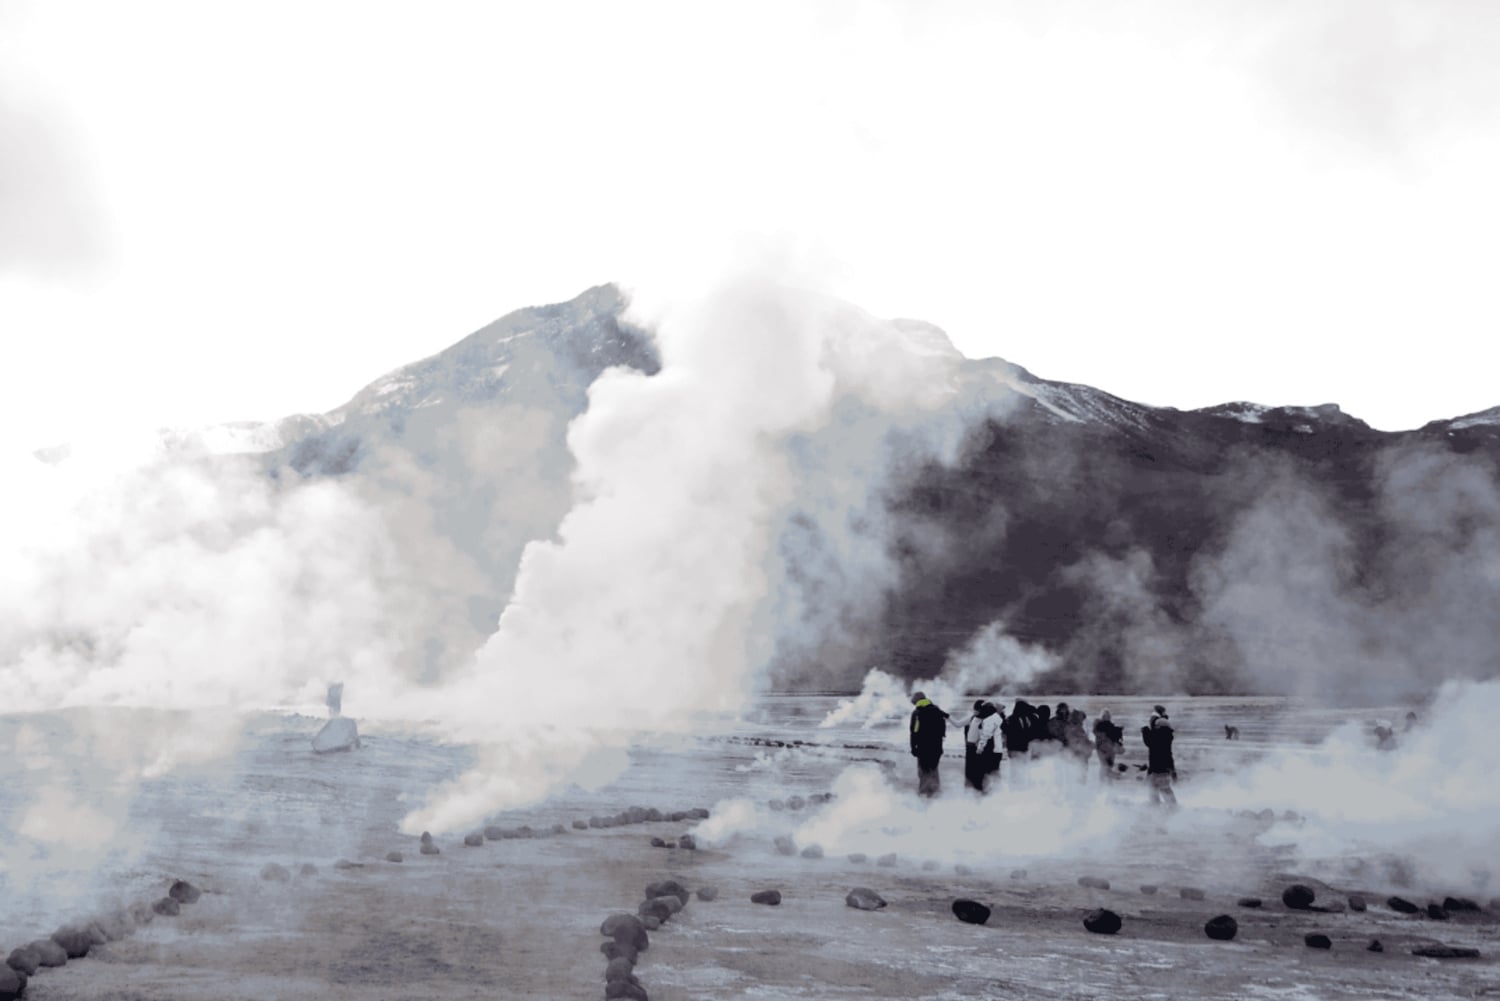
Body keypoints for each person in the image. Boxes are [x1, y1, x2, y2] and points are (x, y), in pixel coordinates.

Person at [909, 691, 949, 797]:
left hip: (923, 747)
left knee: (923, 770)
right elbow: (943, 728)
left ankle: (924, 792)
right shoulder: (937, 710)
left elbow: (914, 732)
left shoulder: (917, 713)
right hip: (937, 747)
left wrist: (913, 747)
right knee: (934, 768)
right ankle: (935, 791)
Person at [963, 700, 1002, 792]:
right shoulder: (997, 718)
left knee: (982, 773)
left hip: (987, 750)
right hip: (997, 750)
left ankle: (981, 792)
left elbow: (984, 736)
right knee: (993, 773)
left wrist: (979, 748)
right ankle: (994, 792)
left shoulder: (986, 720)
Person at [1141, 710, 1177, 807]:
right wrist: (1173, 772)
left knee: (1157, 790)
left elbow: (1149, 741)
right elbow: (1169, 758)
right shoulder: (1166, 737)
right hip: (1162, 770)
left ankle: (1162, 808)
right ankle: (1172, 807)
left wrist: (1145, 730)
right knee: (1163, 789)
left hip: (1157, 770)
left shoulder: (1159, 737)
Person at [1093, 709, 1123, 781]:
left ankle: (1109, 783)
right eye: (1105, 715)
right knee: (1104, 766)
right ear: (1102, 716)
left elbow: (1114, 737)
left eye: (1108, 715)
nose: (1107, 717)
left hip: (1110, 749)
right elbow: (1098, 734)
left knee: (1109, 766)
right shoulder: (1098, 725)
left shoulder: (1111, 726)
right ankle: (1104, 782)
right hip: (1102, 749)